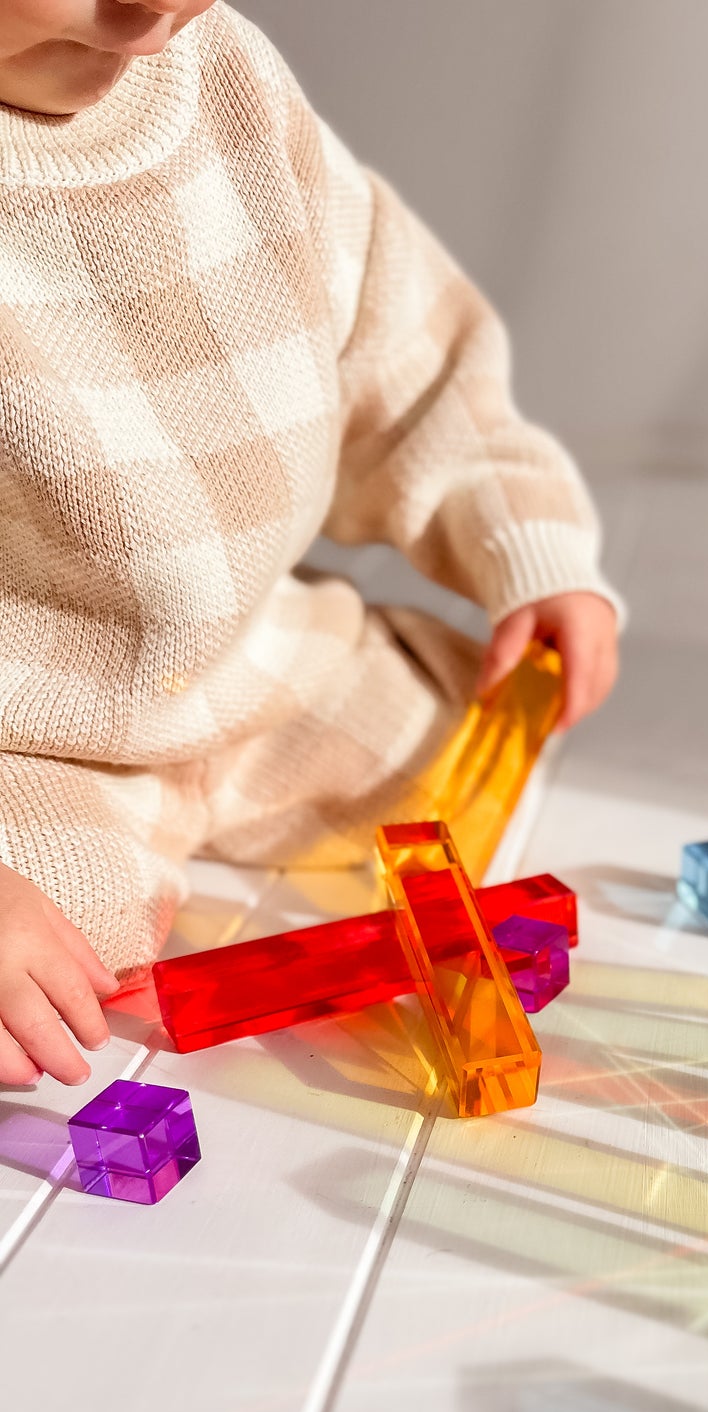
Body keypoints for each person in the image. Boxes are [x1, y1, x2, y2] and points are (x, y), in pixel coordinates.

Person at [0, 0, 621, 1089]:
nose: (147, 12)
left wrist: (526, 543)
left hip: (257, 663)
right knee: (59, 961)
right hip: (32, 734)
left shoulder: (226, 79)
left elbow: (413, 364)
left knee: (473, 748)